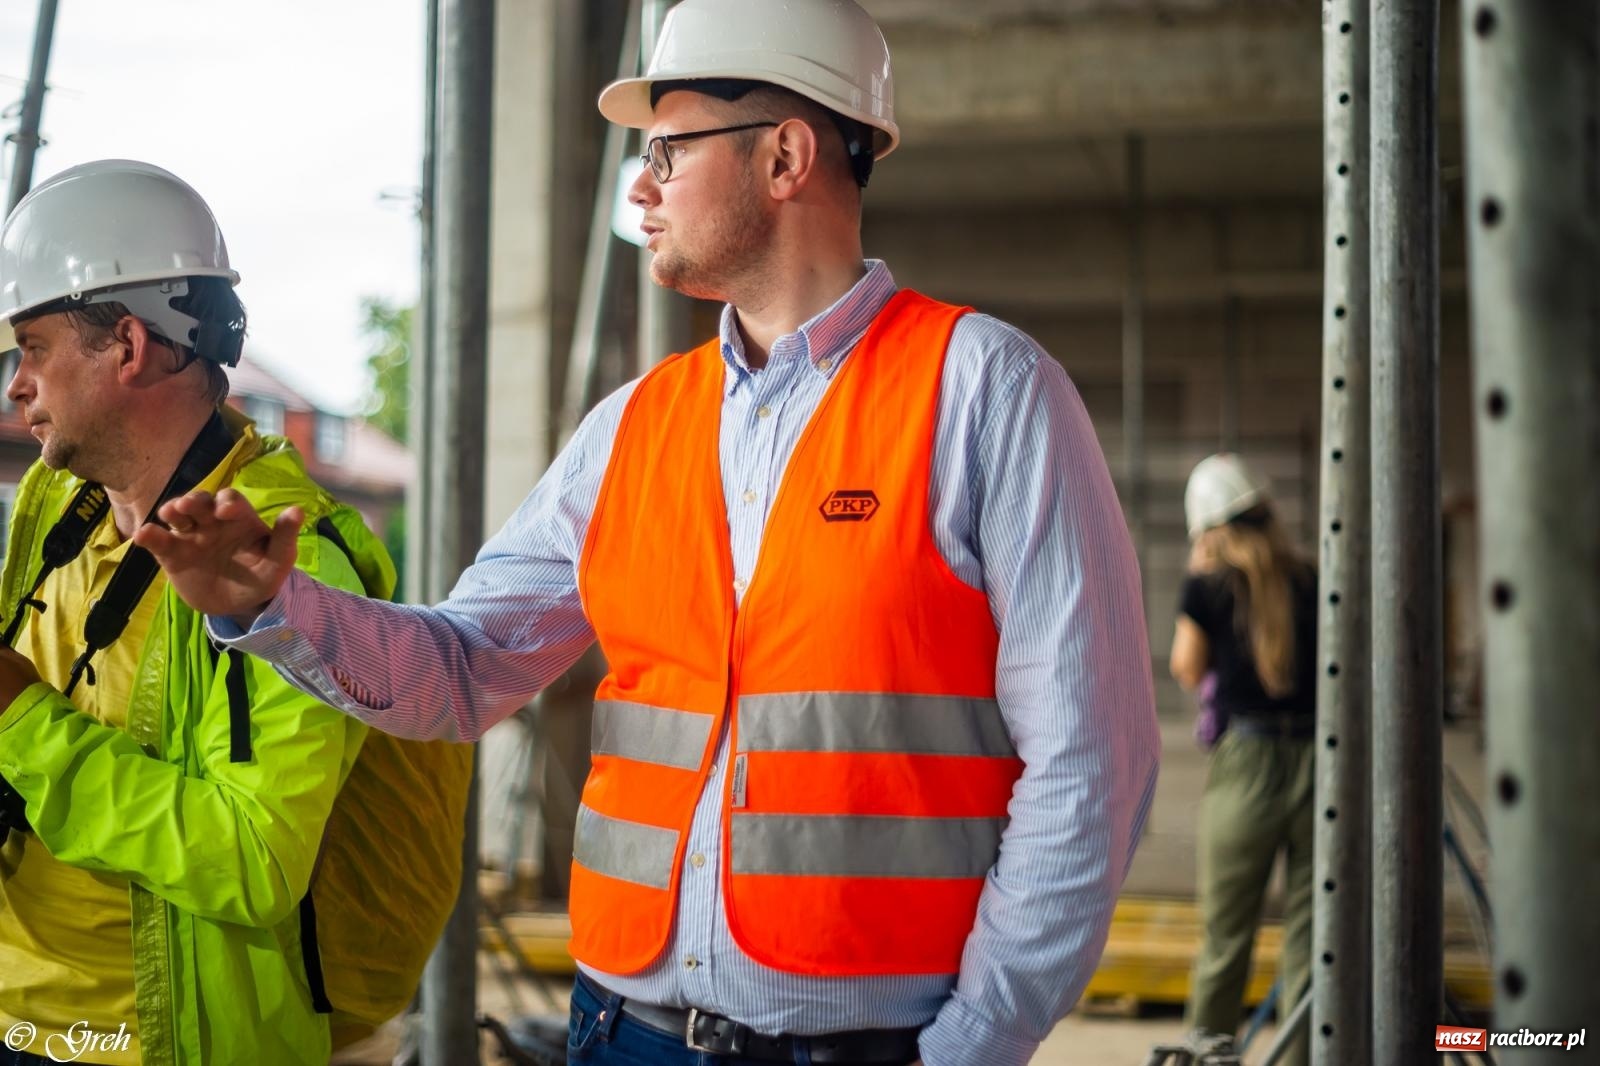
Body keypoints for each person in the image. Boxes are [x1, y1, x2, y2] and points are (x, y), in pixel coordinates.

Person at [141, 1, 1161, 1063]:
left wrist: (972, 1047)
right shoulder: (630, 426)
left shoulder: (985, 393)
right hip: (621, 1029)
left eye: (668, 150)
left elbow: (1091, 764)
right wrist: (271, 606)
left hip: (872, 1042)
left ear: (785, 155)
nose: (641, 185)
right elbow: (464, 671)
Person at [0, 160, 393, 1065]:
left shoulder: (281, 564)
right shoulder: (55, 504)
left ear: (128, 346)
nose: (18, 384)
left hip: (153, 1044)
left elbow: (256, 860)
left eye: (33, 347)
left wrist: (19, 720)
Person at [1169, 454, 1318, 1066]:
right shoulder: (1311, 576)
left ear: (1209, 527)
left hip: (1247, 762)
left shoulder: (1206, 585)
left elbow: (1186, 666)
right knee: (1315, 940)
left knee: (1226, 937)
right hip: (1321, 757)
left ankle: (1209, 1056)